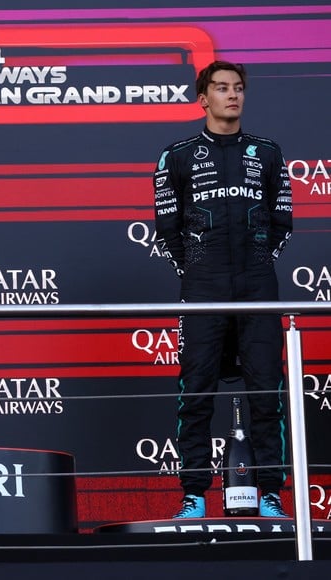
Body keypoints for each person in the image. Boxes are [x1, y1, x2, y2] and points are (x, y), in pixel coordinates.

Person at [153, 61, 293, 519]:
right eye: (221, 88)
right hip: (203, 287)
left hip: (257, 287)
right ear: (203, 98)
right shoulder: (176, 156)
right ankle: (193, 495)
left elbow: (282, 223)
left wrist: (255, 262)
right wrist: (198, 269)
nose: (232, 95)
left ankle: (270, 492)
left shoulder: (268, 152)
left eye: (238, 88)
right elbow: (168, 228)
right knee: (194, 394)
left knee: (265, 393)